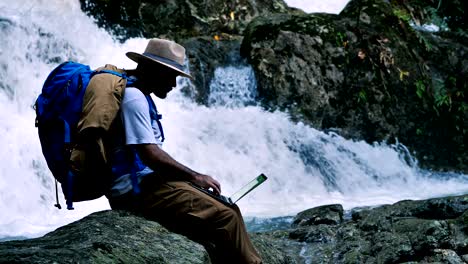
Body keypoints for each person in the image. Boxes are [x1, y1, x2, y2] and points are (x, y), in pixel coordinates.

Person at [78, 38, 262, 264]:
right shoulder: (134, 98)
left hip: (141, 186)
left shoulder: (137, 93)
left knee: (222, 213)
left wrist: (191, 183)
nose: (174, 85)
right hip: (135, 193)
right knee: (227, 215)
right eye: (170, 75)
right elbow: (150, 155)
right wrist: (195, 177)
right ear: (152, 70)